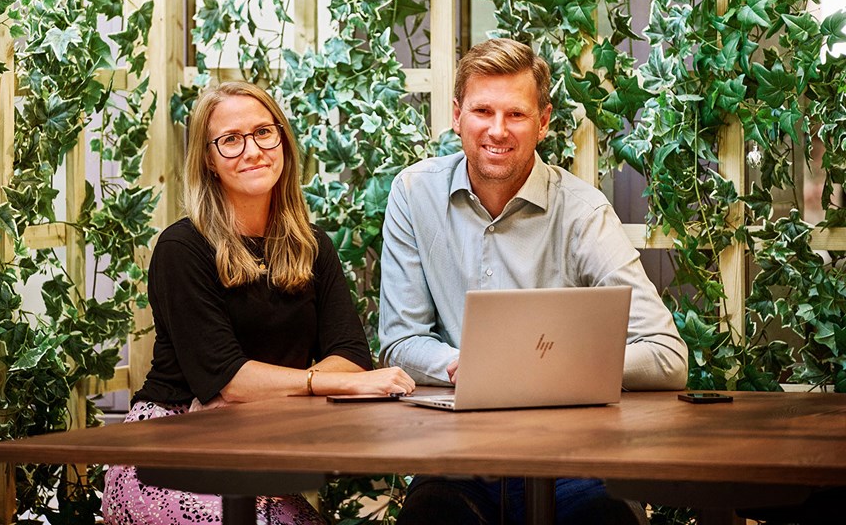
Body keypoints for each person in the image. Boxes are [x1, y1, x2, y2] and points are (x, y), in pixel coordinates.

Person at [378, 38, 689, 525]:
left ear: (542, 122)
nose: (497, 131)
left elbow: (667, 357)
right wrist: (470, 365)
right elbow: (400, 342)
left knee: (608, 520)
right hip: (456, 462)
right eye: (482, 110)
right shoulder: (413, 194)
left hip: (577, 460)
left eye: (516, 115)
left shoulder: (583, 212)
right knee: (430, 517)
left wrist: (547, 369)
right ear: (457, 115)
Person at [103, 81, 415, 525]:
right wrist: (311, 383)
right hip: (166, 449)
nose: (252, 150)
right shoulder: (182, 248)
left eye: (264, 133)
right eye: (230, 140)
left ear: (282, 141)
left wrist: (268, 388)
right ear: (208, 161)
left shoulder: (312, 246)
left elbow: (352, 360)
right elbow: (229, 380)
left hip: (255, 445)